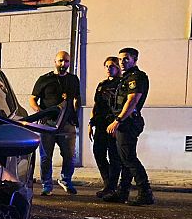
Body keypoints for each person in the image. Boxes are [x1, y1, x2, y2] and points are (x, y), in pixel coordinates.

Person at [103, 47, 154, 205]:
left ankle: (145, 193)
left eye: (126, 59)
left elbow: (132, 101)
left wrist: (117, 121)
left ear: (135, 60)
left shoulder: (137, 77)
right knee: (123, 158)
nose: (122, 62)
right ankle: (123, 192)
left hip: (128, 122)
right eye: (120, 59)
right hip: (124, 122)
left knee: (129, 158)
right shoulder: (125, 78)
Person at [29, 51, 81, 196]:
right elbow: (32, 99)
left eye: (66, 61)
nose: (63, 64)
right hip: (48, 123)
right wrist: (40, 113)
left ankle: (66, 180)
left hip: (67, 124)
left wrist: (74, 114)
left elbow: (77, 98)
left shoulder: (73, 80)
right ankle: (47, 185)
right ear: (55, 61)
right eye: (60, 61)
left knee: (69, 155)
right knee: (46, 156)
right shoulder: (44, 79)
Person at [88, 57, 122, 198]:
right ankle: (108, 184)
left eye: (112, 66)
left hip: (113, 124)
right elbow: (96, 105)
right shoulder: (102, 85)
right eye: (107, 66)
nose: (109, 69)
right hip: (100, 124)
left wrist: (117, 123)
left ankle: (112, 186)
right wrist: (91, 123)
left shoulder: (121, 84)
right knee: (98, 153)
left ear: (118, 68)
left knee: (114, 156)